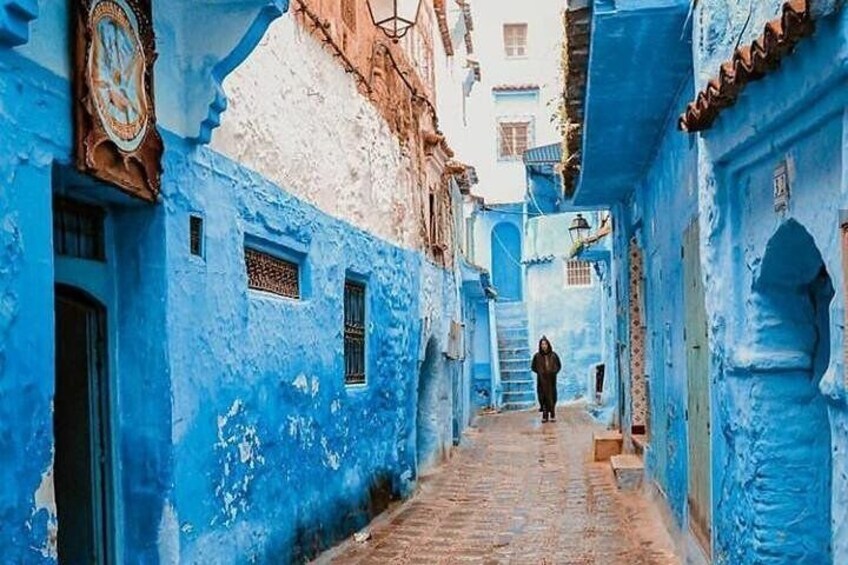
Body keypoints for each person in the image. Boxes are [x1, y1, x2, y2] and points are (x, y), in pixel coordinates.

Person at [531, 336, 561, 423]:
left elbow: (558, 365)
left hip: (551, 380)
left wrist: (553, 372)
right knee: (542, 397)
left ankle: (552, 414)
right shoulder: (537, 356)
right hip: (541, 381)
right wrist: (541, 372)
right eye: (542, 344)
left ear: (548, 345)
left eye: (545, 344)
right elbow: (533, 367)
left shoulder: (554, 355)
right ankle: (544, 415)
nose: (544, 346)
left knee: (552, 397)